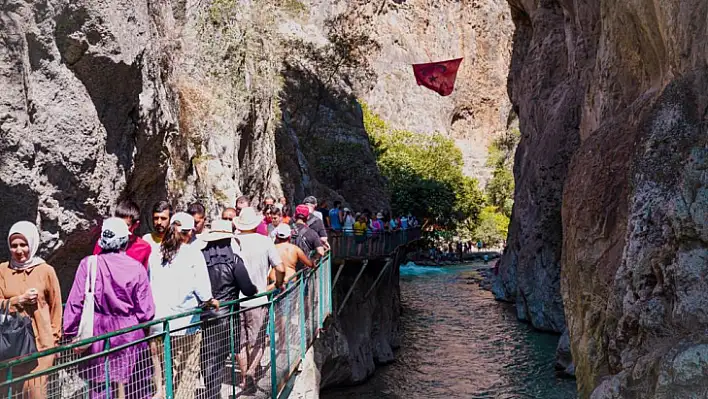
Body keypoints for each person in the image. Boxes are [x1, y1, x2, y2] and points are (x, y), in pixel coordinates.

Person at [64, 218, 155, 399]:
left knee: (100, 387)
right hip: (129, 334)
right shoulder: (136, 268)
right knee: (134, 388)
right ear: (124, 240)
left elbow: (75, 303)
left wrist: (71, 333)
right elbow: (147, 313)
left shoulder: (88, 264)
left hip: (98, 333)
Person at [148, 212, 218, 399]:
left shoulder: (155, 252)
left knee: (164, 374)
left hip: (158, 322)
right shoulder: (192, 253)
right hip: (184, 322)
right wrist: (211, 301)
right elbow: (202, 288)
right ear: (188, 233)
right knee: (186, 370)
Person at [0, 221, 62, 398]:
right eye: (14, 245)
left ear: (32, 243)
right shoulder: (2, 270)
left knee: (36, 393)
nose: (19, 251)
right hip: (10, 346)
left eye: (24, 244)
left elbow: (56, 308)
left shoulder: (45, 271)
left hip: (41, 345)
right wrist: (18, 300)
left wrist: (54, 341)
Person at [198, 220, 257, 399]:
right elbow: (247, 289)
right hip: (227, 316)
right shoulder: (234, 261)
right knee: (219, 358)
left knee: (206, 356)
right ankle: (214, 395)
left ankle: (211, 392)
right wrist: (253, 289)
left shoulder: (199, 258)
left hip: (201, 316)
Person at [234, 207, 285, 389]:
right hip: (259, 298)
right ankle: (251, 372)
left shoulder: (234, 241)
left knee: (240, 341)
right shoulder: (265, 242)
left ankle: (242, 379)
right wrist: (277, 284)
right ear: (256, 224)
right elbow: (280, 268)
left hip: (236, 300)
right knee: (258, 339)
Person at [92, 199, 151, 268]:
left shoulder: (144, 247)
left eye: (126, 225)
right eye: (119, 223)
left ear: (136, 225)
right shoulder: (104, 243)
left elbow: (143, 275)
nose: (122, 228)